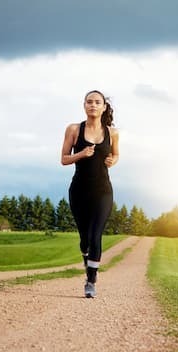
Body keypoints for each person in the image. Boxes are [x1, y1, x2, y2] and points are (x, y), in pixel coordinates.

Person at [60, 90, 119, 298]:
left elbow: (116, 154)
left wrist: (113, 160)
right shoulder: (74, 129)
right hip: (79, 192)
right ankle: (88, 261)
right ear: (84, 106)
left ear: (103, 107)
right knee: (85, 239)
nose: (93, 105)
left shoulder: (112, 132)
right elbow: (64, 159)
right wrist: (82, 154)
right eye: (89, 102)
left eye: (97, 102)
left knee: (95, 236)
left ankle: (91, 281)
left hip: (103, 192)